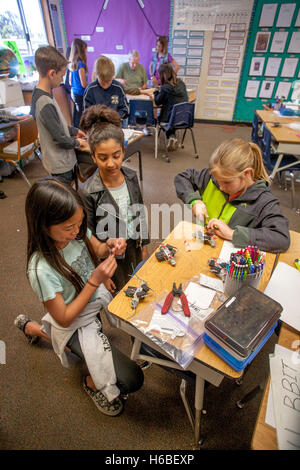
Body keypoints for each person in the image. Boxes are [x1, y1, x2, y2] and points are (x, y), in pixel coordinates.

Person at [14, 177, 144, 416]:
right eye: (68, 228)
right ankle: (91, 383)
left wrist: (110, 246)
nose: (76, 232)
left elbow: (97, 249)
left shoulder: (75, 229)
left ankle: (33, 328)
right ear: (44, 225)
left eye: (80, 224)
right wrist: (95, 281)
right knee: (131, 378)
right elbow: (63, 319)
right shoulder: (40, 269)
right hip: (71, 319)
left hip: (88, 302)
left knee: (77, 335)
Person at [174, 138, 290, 253]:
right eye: (218, 180)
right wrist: (195, 201)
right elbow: (182, 178)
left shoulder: (263, 202)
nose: (221, 187)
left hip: (229, 259)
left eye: (227, 182)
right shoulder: (212, 178)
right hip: (205, 248)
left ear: (246, 173)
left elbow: (281, 238)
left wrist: (232, 234)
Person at [79, 105, 150, 291]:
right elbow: (87, 236)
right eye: (103, 158)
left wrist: (144, 245)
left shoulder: (132, 177)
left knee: (139, 286)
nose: (111, 163)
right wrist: (100, 274)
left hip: (134, 246)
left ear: (123, 152)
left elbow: (140, 211)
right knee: (119, 295)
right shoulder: (88, 192)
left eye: (116, 156)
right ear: (93, 156)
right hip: (109, 258)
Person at [30, 46, 88, 186]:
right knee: (66, 198)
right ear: (51, 73)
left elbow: (57, 125)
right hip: (60, 165)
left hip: (64, 161)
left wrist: (74, 131)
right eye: (61, 76)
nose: (62, 80)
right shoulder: (44, 102)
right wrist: (78, 143)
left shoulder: (45, 93)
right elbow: (59, 138)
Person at [154, 63, 188, 151]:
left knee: (165, 120)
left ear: (162, 75)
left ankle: (171, 137)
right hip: (183, 118)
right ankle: (172, 137)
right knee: (172, 117)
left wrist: (156, 89)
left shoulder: (166, 87)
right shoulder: (181, 83)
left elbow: (157, 102)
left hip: (169, 119)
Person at [83, 56, 129, 121]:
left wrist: (114, 117)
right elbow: (86, 114)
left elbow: (125, 110)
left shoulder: (118, 88)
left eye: (108, 81)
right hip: (96, 126)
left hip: (114, 125)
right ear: (97, 75)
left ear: (113, 76)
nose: (105, 85)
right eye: (102, 82)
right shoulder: (90, 90)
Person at [69, 39, 88, 128]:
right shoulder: (80, 65)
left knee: (77, 113)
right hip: (81, 93)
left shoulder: (72, 63)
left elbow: (69, 81)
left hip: (74, 92)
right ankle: (80, 130)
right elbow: (83, 84)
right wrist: (91, 84)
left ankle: (76, 129)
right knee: (81, 114)